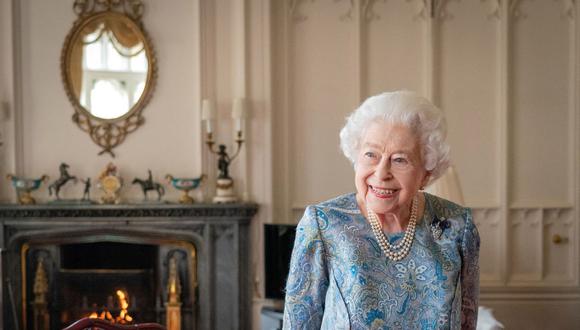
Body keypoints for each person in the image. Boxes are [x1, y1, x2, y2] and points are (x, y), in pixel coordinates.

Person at [283, 91, 480, 329]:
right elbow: (299, 322)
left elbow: (467, 319)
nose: (381, 173)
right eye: (371, 155)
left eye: (399, 160)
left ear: (426, 172)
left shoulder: (458, 225)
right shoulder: (324, 224)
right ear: (356, 157)